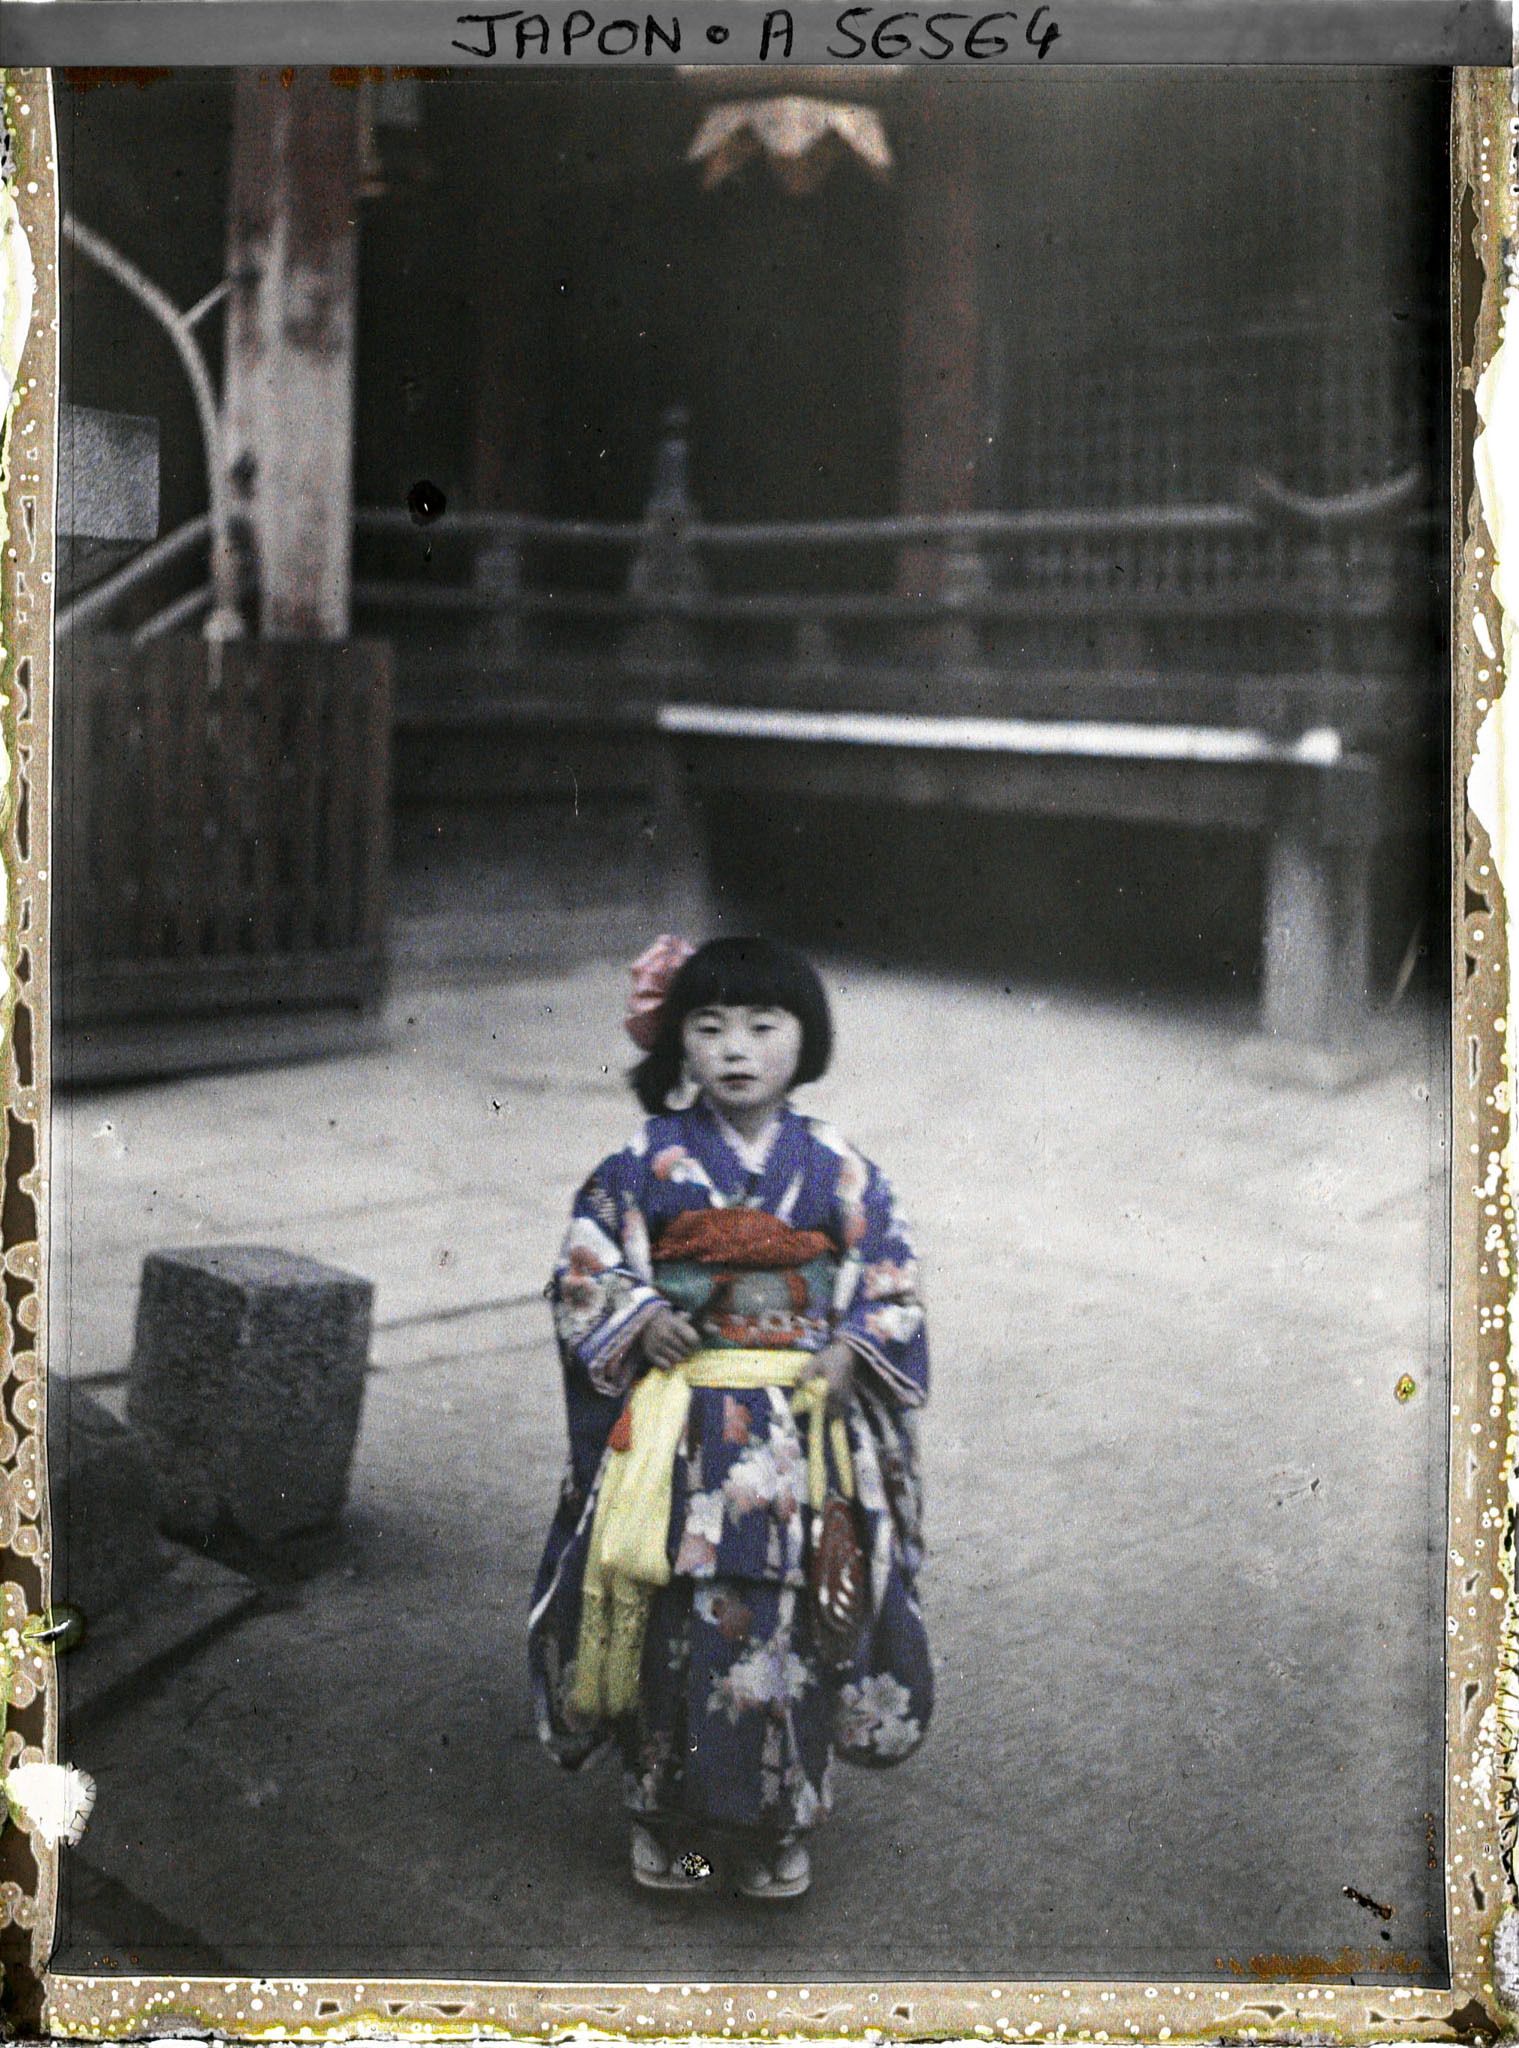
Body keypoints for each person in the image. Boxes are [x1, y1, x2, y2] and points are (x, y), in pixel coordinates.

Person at [529, 933, 931, 1901]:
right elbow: (584, 1271)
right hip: (682, 1425)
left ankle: (776, 1823)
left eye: (762, 1025)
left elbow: (890, 1281)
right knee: (668, 1610)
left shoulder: (837, 1165)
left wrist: (851, 1345)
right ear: (679, 1040)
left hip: (800, 1425)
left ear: (805, 1037)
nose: (736, 1048)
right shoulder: (640, 1161)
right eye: (709, 1027)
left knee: (796, 1616)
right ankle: (669, 1820)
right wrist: (640, 1314)